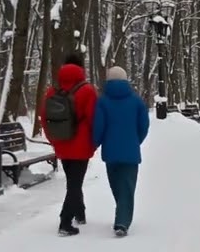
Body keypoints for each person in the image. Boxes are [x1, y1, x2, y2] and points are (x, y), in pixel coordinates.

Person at [39, 52, 99, 236]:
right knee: (75, 183)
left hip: (62, 144)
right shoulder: (88, 91)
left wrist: (53, 140)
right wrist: (94, 143)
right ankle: (65, 222)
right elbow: (94, 120)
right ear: (81, 68)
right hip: (81, 146)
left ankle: (79, 213)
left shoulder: (52, 90)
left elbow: (44, 118)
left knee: (73, 181)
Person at [90, 66, 150, 237]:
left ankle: (121, 218)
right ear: (126, 80)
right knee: (127, 188)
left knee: (117, 186)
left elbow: (98, 127)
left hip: (111, 153)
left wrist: (96, 142)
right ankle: (122, 221)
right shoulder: (136, 101)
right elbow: (144, 126)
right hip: (130, 153)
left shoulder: (102, 101)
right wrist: (135, 141)